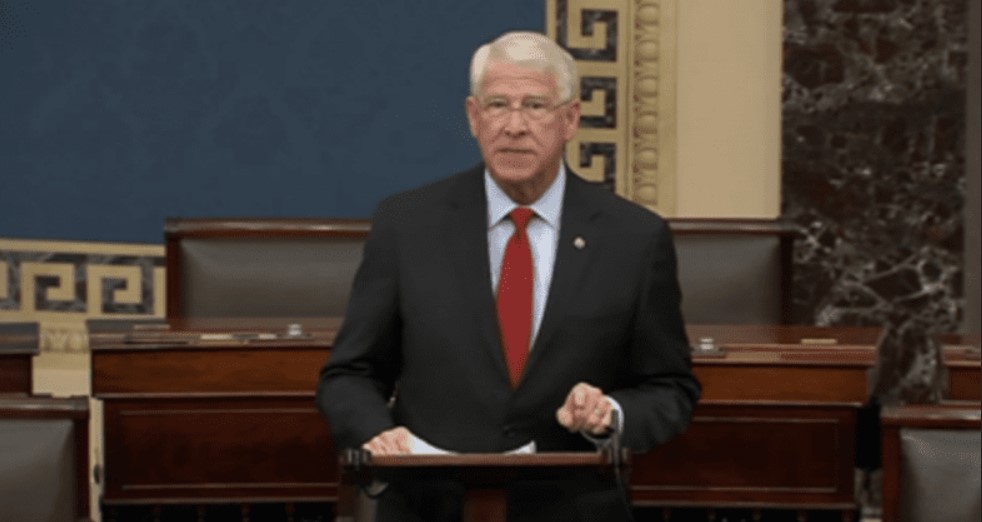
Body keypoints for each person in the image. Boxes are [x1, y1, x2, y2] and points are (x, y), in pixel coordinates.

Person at [316, 30, 700, 522]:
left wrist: (610, 414)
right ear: (474, 117)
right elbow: (349, 374)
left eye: (535, 106)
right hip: (428, 504)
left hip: (571, 507)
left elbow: (670, 388)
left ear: (570, 120)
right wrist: (377, 433)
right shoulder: (407, 224)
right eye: (498, 105)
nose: (514, 126)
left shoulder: (634, 238)